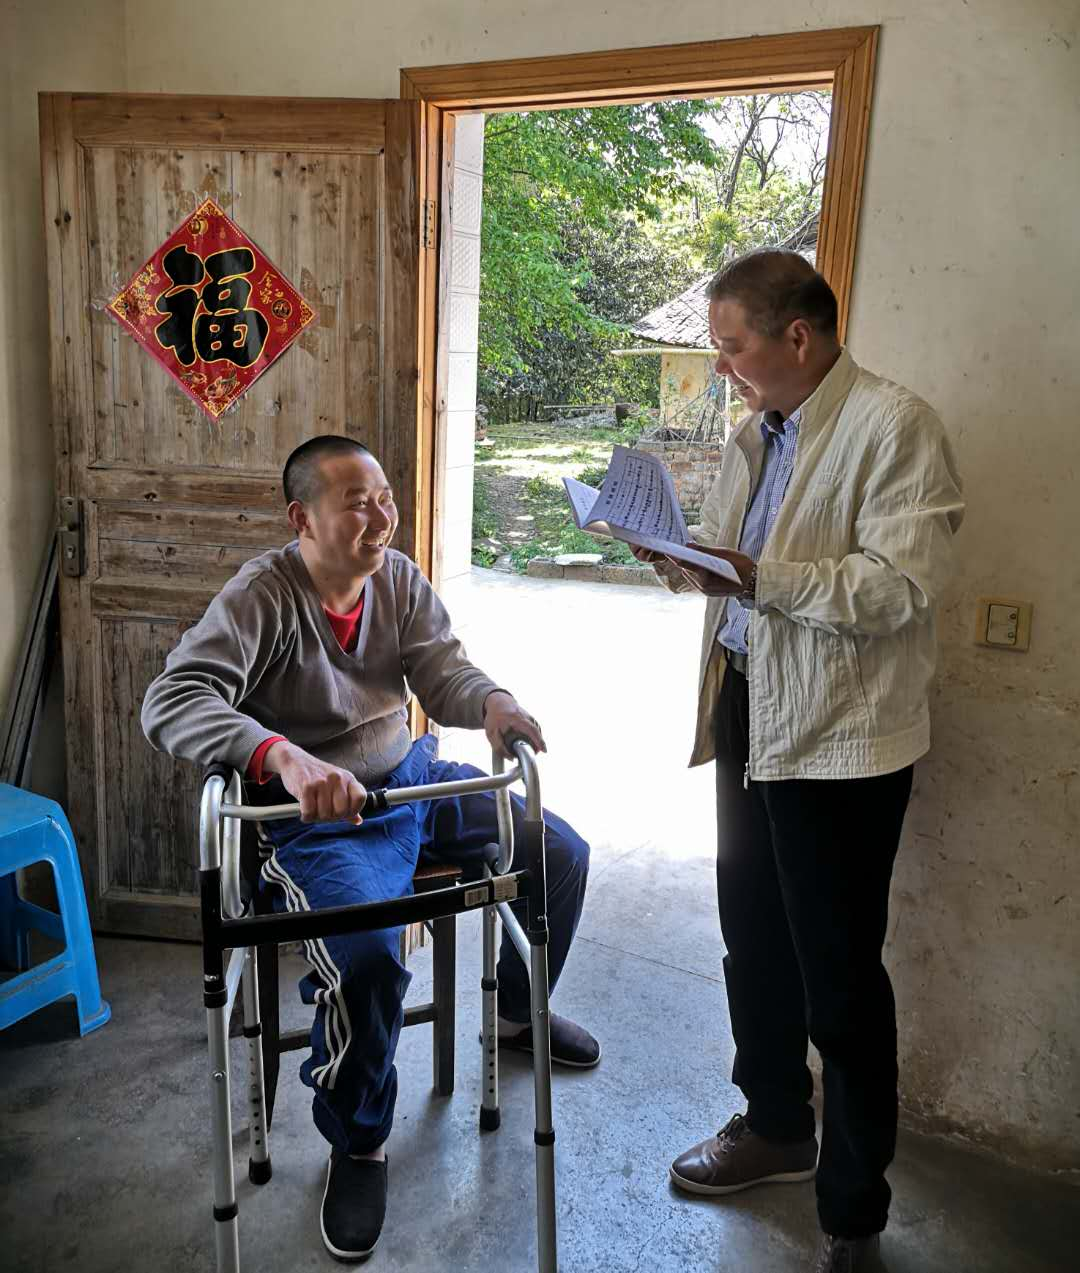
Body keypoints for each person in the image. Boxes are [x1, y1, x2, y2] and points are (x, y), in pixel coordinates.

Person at [141, 435, 599, 1263]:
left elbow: (442, 670)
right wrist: (280, 756)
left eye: (384, 498)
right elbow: (172, 697)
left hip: (408, 778)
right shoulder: (263, 595)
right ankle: (359, 1141)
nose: (381, 517)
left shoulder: (398, 579)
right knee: (369, 957)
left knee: (559, 852)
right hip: (312, 819)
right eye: (357, 503)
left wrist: (492, 701)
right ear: (303, 518)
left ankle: (513, 1014)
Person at [632, 251, 964, 1273]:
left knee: (840, 977)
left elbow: (900, 587)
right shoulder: (757, 432)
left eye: (731, 347)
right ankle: (776, 1122)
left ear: (798, 337)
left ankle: (853, 1211)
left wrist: (756, 577)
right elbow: (735, 565)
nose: (722, 367)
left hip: (839, 740)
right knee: (752, 937)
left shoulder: (896, 428)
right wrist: (683, 560)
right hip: (749, 710)